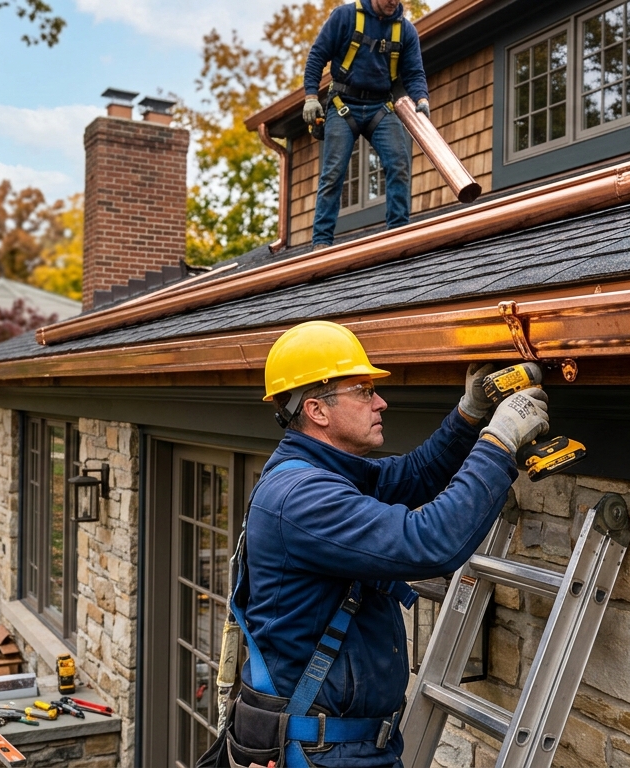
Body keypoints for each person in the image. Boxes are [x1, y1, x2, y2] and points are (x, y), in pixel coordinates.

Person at [222, 320, 550, 767]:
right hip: (323, 752)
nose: (381, 401)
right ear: (317, 410)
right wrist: (499, 441)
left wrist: (469, 415)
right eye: (362, 390)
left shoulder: (325, 472)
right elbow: (429, 542)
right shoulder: (303, 498)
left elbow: (411, 476)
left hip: (346, 746)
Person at [303, 0, 430, 248]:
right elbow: (317, 56)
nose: (394, 2)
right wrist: (310, 97)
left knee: (399, 164)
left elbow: (414, 72)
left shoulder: (405, 30)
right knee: (333, 172)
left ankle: (398, 233)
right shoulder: (345, 16)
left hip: (380, 107)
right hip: (343, 104)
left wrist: (422, 98)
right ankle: (321, 242)